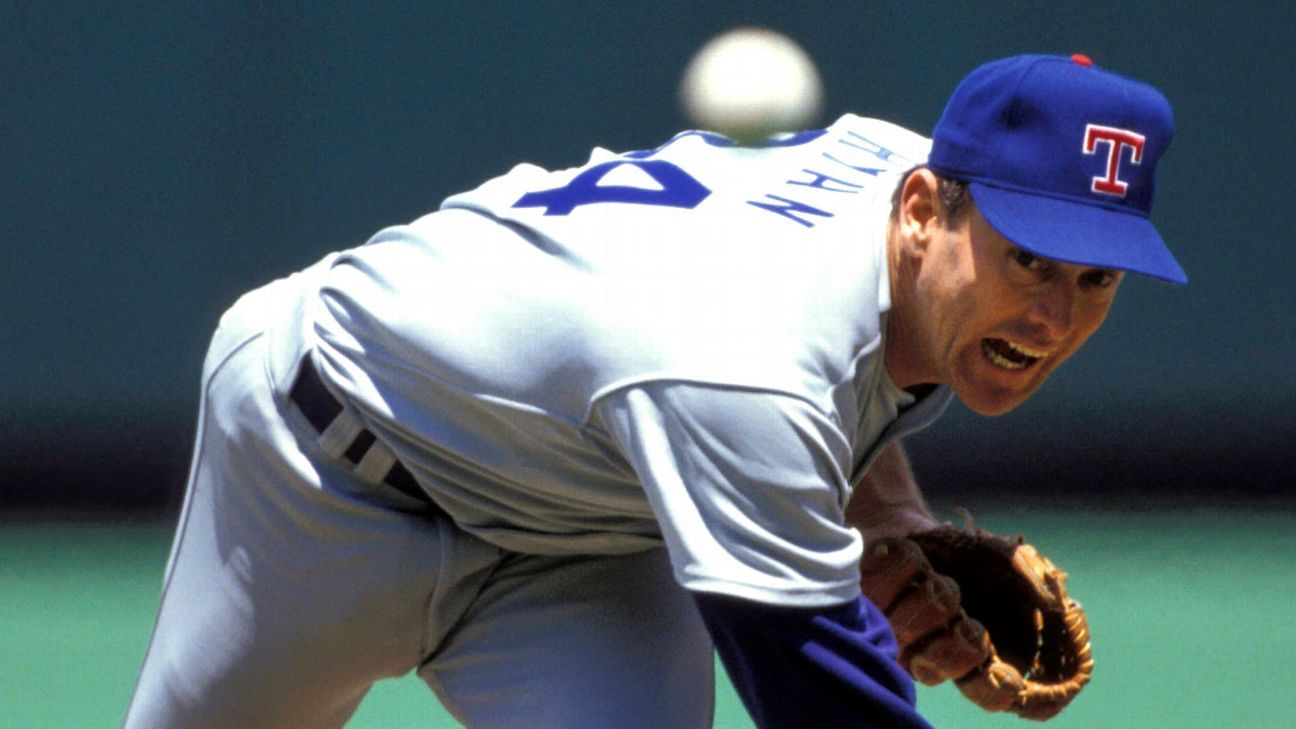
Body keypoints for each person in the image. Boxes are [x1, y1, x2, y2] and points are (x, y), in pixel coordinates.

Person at [124, 53, 1184, 728]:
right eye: (1029, 261)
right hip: (322, 466)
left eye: (1096, 279)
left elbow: (831, 372)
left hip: (584, 535)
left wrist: (891, 517)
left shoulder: (907, 177)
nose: (1054, 316)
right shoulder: (746, 356)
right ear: (922, 211)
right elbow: (830, 704)